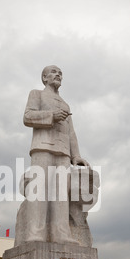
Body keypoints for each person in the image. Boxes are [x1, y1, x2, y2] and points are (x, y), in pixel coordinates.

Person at [22, 65, 89, 244]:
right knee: (39, 191)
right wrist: (51, 115)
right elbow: (27, 117)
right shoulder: (36, 94)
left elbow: (71, 132)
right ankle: (35, 233)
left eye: (60, 73)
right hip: (42, 147)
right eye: (53, 72)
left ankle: (61, 233)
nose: (58, 74)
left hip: (63, 153)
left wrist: (76, 156)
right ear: (44, 78)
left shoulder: (66, 105)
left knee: (61, 195)